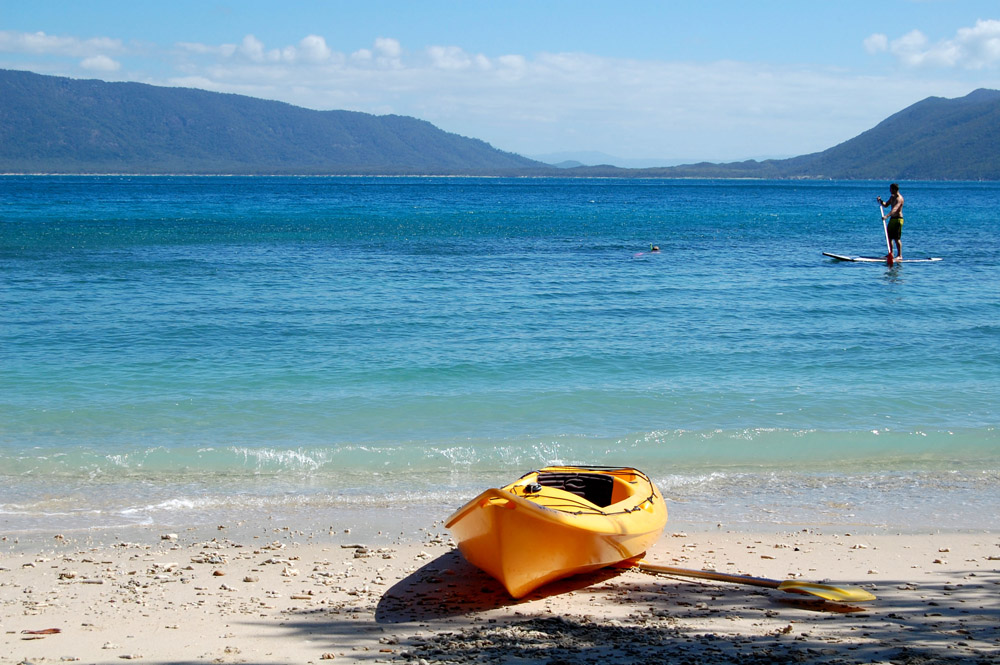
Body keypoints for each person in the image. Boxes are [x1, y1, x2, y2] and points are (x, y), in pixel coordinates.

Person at [877, 183, 904, 260]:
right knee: (889, 237)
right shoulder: (892, 197)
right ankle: (891, 253)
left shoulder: (899, 199)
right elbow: (886, 205)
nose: (890, 191)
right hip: (892, 219)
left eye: (891, 189)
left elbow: (895, 209)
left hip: (898, 220)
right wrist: (881, 201)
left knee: (897, 238)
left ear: (895, 189)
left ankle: (899, 255)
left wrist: (886, 216)